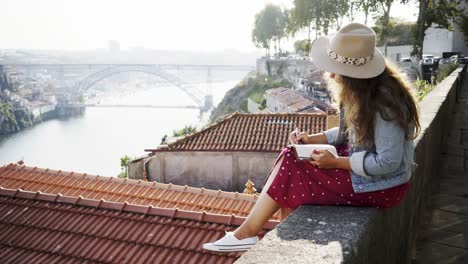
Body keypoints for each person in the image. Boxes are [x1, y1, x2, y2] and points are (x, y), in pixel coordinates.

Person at [202, 22, 421, 252]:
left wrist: (336, 162)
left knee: (293, 170)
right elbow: (351, 133)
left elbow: (388, 163)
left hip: (382, 186)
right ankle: (263, 241)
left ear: (355, 74)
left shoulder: (385, 104)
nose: (331, 75)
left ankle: (247, 234)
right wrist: (314, 138)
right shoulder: (362, 92)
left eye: (336, 69)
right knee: (291, 154)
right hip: (363, 168)